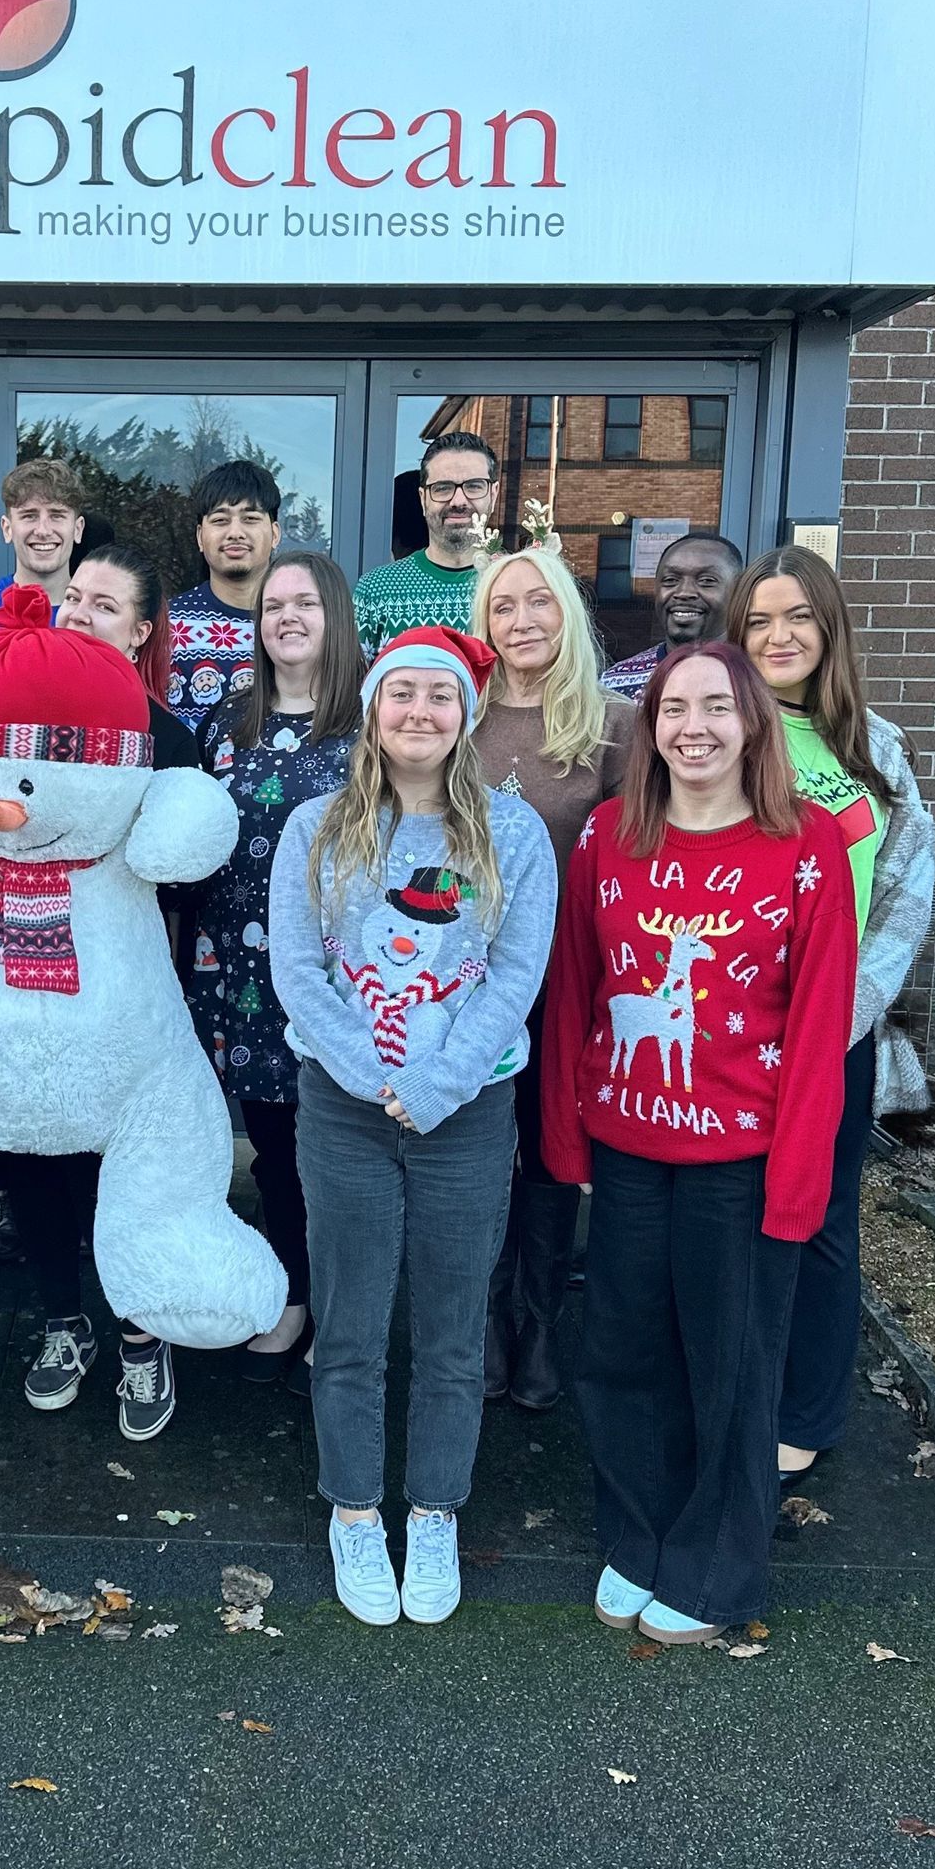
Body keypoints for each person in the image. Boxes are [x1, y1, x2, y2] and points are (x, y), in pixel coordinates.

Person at [542, 643, 857, 1646]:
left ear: (752, 723)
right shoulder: (606, 839)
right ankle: (637, 1538)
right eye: (674, 708)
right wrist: (567, 1137)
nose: (694, 727)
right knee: (624, 1355)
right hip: (631, 1150)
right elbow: (575, 996)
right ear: (651, 726)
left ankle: (718, 1568)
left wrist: (799, 1182)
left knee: (729, 1365)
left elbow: (817, 1028)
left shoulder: (803, 846)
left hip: (743, 1162)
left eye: (717, 708)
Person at [269, 627, 554, 1628]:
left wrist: (435, 1084)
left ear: (465, 714)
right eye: (403, 697)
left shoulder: (512, 834)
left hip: (466, 1112)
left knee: (450, 1327)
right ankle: (354, 1507)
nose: (421, 713)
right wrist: (375, 1071)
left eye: (440, 697)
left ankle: (433, 1510)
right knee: (348, 1323)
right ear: (375, 712)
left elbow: (516, 974)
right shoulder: (317, 826)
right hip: (345, 1110)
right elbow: (299, 969)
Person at [726, 547, 935, 1481]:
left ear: (828, 629)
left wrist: (842, 1015)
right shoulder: (710, 729)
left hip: (832, 1034)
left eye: (798, 616)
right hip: (722, 1031)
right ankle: (730, 1390)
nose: (779, 635)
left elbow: (904, 894)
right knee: (728, 1220)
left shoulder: (874, 748)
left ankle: (805, 1409)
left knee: (819, 1221)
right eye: (761, 618)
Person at [2, 544, 201, 1439]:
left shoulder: (168, 735)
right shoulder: (13, 720)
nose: (79, 611)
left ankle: (139, 1332)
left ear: (142, 630)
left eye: (104, 604)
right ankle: (61, 1319)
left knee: (128, 1168)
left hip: (123, 986)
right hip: (22, 973)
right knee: (37, 1155)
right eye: (72, 595)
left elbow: (190, 878)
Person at [188, 551, 362, 1388]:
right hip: (241, 971)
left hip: (341, 978)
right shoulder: (228, 721)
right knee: (274, 1146)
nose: (284, 617)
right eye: (271, 606)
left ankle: (343, 1308)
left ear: (333, 613)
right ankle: (293, 1290)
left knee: (339, 1150)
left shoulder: (369, 723)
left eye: (302, 603)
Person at [470, 540, 634, 1410]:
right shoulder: (460, 714)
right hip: (467, 983)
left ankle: (537, 1324)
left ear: (565, 613)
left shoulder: (614, 724)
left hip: (569, 982)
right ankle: (486, 1320)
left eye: (538, 602)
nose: (522, 619)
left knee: (548, 1156)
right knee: (481, 1156)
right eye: (503, 606)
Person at [352, 433, 498, 653]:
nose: (458, 501)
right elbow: (354, 683)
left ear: (493, 494)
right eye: (442, 488)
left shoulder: (517, 585)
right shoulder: (377, 590)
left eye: (474, 486)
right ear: (423, 498)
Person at [166, 458, 283, 726]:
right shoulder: (166, 623)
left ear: (275, 534)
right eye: (220, 520)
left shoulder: (301, 625)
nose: (235, 533)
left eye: (250, 519)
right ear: (199, 537)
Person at [0, 456, 88, 635]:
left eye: (57, 515)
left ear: (78, 529)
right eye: (29, 516)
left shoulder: (100, 617)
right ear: (7, 529)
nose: (43, 531)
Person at [599, 531, 743, 700]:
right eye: (670, 580)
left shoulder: (758, 676)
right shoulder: (615, 685)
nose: (684, 592)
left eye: (706, 581)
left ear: (738, 591)